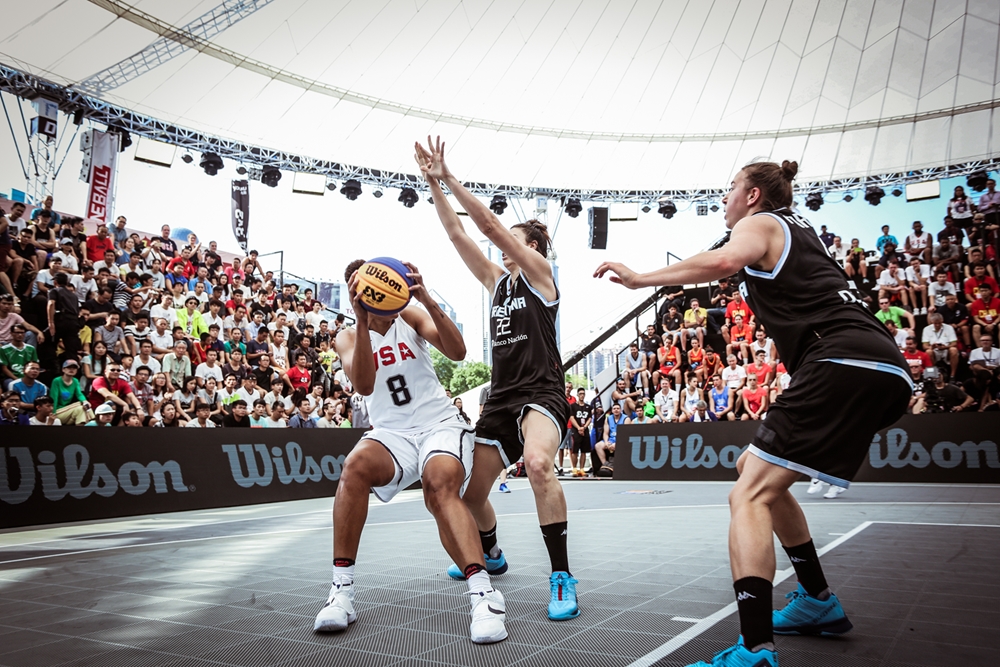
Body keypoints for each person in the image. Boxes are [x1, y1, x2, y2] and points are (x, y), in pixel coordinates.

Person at [595, 159, 911, 667]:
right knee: (754, 471)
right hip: (881, 366)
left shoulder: (758, 224)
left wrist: (640, 279)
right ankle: (816, 602)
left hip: (839, 358)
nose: (724, 200)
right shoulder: (800, 232)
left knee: (748, 495)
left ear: (754, 195)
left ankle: (755, 650)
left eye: (730, 191)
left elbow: (724, 261)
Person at [417, 136, 577, 621]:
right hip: (501, 397)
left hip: (542, 392)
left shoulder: (541, 274)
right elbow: (458, 234)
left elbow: (484, 223)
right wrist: (433, 186)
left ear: (530, 247)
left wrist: (449, 175)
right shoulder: (496, 282)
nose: (500, 243)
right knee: (469, 498)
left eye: (512, 239)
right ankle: (491, 552)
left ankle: (562, 577)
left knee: (537, 464)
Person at [314, 257, 507, 645]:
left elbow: (457, 351)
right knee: (353, 468)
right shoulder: (348, 337)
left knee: (439, 484)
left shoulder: (412, 315)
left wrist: (425, 297)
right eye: (359, 285)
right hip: (392, 433)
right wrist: (363, 320)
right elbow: (365, 386)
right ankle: (342, 592)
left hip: (438, 423)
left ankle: (484, 594)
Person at [568, 388, 591, 477]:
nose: (582, 395)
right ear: (577, 395)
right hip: (575, 430)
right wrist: (578, 428)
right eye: (580, 393)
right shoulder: (573, 406)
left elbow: (589, 418)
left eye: (583, 393)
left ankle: (582, 469)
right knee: (575, 451)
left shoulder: (588, 407)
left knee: (584, 451)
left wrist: (584, 427)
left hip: (585, 430)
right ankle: (574, 468)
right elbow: (571, 417)